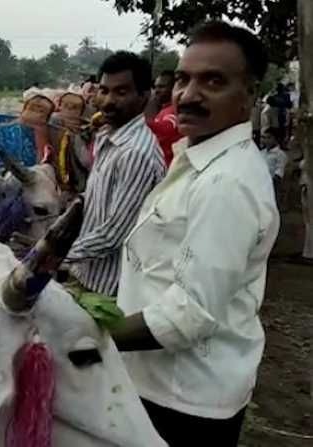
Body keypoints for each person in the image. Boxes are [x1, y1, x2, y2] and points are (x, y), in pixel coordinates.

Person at [110, 22, 280, 446]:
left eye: (213, 81)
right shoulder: (197, 159)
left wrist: (87, 337)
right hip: (157, 383)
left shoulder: (226, 184)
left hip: (182, 398)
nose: (186, 95)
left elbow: (190, 314)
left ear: (249, 94)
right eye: (183, 79)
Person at [62, 52, 166, 297]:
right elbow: (98, 197)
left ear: (144, 96)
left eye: (121, 92)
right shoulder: (108, 137)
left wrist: (52, 253)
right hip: (86, 272)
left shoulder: (135, 153)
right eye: (104, 90)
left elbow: (111, 235)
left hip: (108, 288)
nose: (108, 101)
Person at [145, 70, 183, 167]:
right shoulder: (162, 110)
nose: (157, 90)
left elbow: (166, 130)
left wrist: (143, 120)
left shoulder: (175, 111)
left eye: (161, 87)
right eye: (156, 87)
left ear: (174, 88)